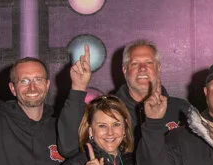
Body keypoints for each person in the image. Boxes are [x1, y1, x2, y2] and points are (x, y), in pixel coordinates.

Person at [57, 39, 185, 156]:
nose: (142, 68)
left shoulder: (181, 110)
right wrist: (78, 89)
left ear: (159, 68)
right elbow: (69, 148)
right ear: (124, 70)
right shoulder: (104, 111)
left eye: (149, 62)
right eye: (135, 63)